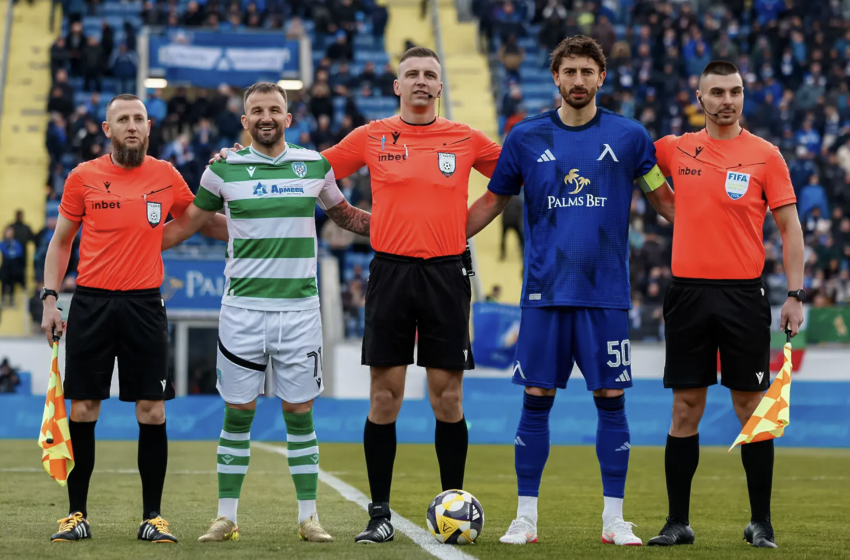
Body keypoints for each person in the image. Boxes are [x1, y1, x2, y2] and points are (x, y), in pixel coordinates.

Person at [214, 47, 502, 545]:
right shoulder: (372, 136)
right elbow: (300, 169)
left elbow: (508, 181)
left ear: (439, 85)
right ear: (397, 86)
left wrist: (461, 229)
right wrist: (235, 159)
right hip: (390, 273)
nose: (420, 81)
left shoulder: (466, 138)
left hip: (446, 274)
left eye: (429, 74)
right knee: (384, 396)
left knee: (448, 397)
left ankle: (452, 504)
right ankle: (379, 514)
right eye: (411, 74)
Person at [466, 36, 676, 546]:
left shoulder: (630, 137)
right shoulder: (525, 136)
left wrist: (726, 227)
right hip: (545, 294)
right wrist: (439, 239)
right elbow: (492, 202)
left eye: (587, 71)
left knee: (611, 399)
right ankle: (525, 519)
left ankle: (614, 520)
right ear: (555, 78)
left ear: (602, 77)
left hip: (606, 295)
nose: (578, 80)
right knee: (536, 399)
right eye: (570, 71)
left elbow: (667, 203)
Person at [162, 82, 370, 544]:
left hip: (299, 311)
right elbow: (190, 223)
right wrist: (134, 243)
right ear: (245, 120)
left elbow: (345, 216)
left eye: (274, 109)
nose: (266, 117)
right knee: (238, 413)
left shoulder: (314, 165)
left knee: (299, 413)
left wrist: (402, 227)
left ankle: (309, 518)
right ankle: (226, 517)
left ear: (288, 117)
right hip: (242, 310)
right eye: (256, 110)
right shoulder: (222, 170)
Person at [40, 94, 219, 544]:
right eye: (123, 119)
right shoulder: (83, 177)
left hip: (144, 305)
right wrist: (49, 299)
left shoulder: (165, 174)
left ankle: (153, 517)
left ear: (149, 126)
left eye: (140, 118)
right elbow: (61, 242)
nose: (133, 125)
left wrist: (258, 225)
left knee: (152, 410)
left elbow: (198, 219)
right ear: (108, 129)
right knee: (83, 408)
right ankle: (75, 515)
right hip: (91, 304)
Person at [646, 61, 804, 549]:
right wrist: (663, 201)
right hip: (687, 294)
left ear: (743, 96)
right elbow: (638, 166)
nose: (726, 100)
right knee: (685, 408)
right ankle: (677, 522)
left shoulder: (766, 155)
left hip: (743, 296)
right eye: (716, 92)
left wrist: (795, 294)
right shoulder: (674, 148)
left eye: (734, 91)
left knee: (751, 407)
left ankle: (761, 523)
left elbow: (790, 229)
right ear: (699, 98)